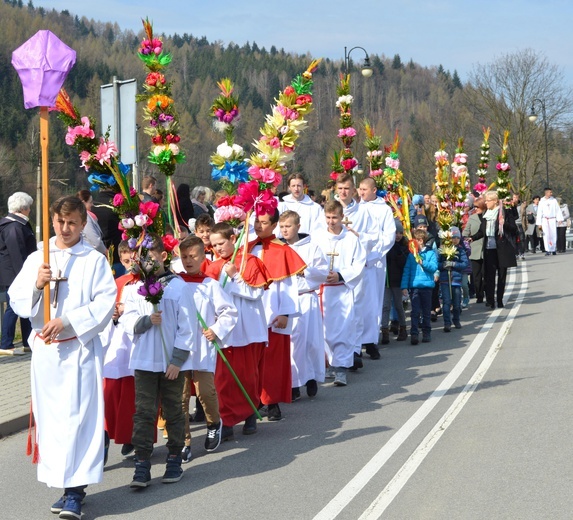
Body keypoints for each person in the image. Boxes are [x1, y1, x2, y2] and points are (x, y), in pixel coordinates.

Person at [9, 196, 116, 519]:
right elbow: (17, 300)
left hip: (79, 350)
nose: (65, 228)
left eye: (72, 223)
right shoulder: (39, 257)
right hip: (47, 353)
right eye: (60, 222)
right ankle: (62, 481)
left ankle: (76, 491)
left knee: (78, 419)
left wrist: (67, 320)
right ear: (52, 221)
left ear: (83, 224)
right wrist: (37, 286)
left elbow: (104, 303)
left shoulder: (93, 260)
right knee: (53, 420)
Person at [121, 234, 198, 489]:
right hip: (144, 360)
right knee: (143, 413)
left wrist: (177, 360)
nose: (147, 262)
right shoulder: (133, 288)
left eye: (152, 257)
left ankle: (174, 457)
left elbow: (188, 327)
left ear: (164, 257)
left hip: (170, 364)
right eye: (142, 258)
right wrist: (145, 322)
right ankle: (142, 462)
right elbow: (126, 321)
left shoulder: (178, 287)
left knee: (174, 410)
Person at [205, 223, 269, 440]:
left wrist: (235, 277)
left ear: (233, 239)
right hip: (226, 330)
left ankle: (251, 412)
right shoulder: (213, 267)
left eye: (221, 243)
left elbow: (257, 293)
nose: (218, 248)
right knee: (223, 379)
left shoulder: (249, 261)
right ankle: (228, 420)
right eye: (213, 245)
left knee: (248, 375)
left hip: (249, 328)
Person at [177, 235, 237, 461]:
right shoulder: (176, 283)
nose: (188, 261)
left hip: (202, 345)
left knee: (205, 392)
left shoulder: (210, 285)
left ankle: (214, 423)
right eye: (184, 257)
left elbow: (229, 312)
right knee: (180, 397)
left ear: (203, 256)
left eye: (193, 256)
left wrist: (217, 330)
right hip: (180, 348)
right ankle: (183, 441)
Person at [248, 209, 306, 420]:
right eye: (256, 221)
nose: (258, 226)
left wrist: (285, 313)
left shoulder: (281, 250)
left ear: (274, 225)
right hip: (253, 314)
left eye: (263, 222)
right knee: (253, 361)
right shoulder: (249, 248)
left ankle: (272, 403)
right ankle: (254, 401)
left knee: (272, 362)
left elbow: (288, 285)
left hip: (273, 313)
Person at [313, 200, 366, 386]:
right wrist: (320, 274)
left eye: (335, 217)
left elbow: (359, 264)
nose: (331, 221)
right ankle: (328, 364)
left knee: (343, 329)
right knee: (323, 330)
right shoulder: (318, 237)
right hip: (322, 291)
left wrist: (341, 275)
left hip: (342, 290)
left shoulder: (351, 239)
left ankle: (341, 368)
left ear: (342, 217)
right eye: (328, 217)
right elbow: (311, 261)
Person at [278, 210, 328, 399]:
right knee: (291, 344)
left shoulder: (311, 247)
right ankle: (294, 383)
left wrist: (304, 271)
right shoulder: (278, 248)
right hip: (286, 300)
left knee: (310, 342)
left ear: (298, 226)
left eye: (288, 226)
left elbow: (323, 272)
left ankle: (312, 377)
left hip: (306, 298)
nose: (285, 230)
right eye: (282, 227)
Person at [100, 241, 141, 461]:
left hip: (138, 345)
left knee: (134, 397)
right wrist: (113, 315)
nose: (129, 264)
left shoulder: (148, 282)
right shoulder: (117, 283)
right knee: (111, 395)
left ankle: (133, 436)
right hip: (117, 345)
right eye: (125, 260)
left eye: (133, 259)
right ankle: (105, 437)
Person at [335, 173, 380, 366]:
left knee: (358, 309)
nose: (343, 192)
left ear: (353, 190)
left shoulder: (363, 212)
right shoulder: (330, 211)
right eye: (340, 189)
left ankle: (355, 349)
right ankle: (341, 350)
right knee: (340, 310)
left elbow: (374, 236)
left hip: (357, 266)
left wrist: (358, 235)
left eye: (347, 188)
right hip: (336, 266)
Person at [357, 177, 396, 358]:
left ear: (374, 190)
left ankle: (371, 340)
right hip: (356, 261)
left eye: (365, 189)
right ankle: (355, 341)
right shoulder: (356, 208)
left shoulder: (384, 210)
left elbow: (388, 236)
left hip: (375, 262)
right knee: (357, 300)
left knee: (373, 300)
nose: (361, 192)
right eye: (360, 189)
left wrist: (372, 256)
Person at [0, 191, 36, 355]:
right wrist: (25, 275)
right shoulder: (14, 227)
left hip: (13, 272)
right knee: (13, 307)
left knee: (25, 306)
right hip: (15, 274)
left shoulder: (13, 225)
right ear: (23, 208)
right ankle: (6, 344)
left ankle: (27, 341)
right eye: (29, 208)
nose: (30, 211)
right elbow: (17, 253)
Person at [470, 191, 517, 309]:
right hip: (489, 248)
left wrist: (504, 224)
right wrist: (472, 238)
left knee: (501, 276)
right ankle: (490, 300)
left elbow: (514, 229)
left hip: (501, 248)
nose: (485, 202)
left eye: (487, 200)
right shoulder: (486, 214)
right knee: (488, 276)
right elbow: (482, 231)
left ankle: (500, 299)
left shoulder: (503, 213)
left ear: (495, 201)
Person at [401, 229, 438, 345]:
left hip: (426, 286)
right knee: (415, 312)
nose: (415, 243)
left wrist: (422, 262)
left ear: (421, 241)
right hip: (415, 287)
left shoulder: (430, 253)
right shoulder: (411, 256)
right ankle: (414, 333)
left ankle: (426, 332)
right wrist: (404, 286)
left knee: (426, 311)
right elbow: (406, 271)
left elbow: (433, 267)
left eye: (417, 240)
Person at [381, 220, 409, 344]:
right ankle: (385, 331)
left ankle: (403, 328)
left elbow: (404, 264)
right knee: (385, 306)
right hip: (387, 281)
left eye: (400, 233)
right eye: (395, 233)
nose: (398, 235)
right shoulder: (386, 246)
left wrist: (399, 253)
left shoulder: (404, 247)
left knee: (398, 305)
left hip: (398, 281)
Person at [438, 227, 469, 332]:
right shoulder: (442, 250)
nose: (455, 240)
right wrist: (443, 265)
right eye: (453, 238)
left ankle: (456, 319)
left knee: (456, 303)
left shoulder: (460, 250)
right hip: (445, 279)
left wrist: (454, 264)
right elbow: (436, 264)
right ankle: (447, 323)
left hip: (456, 279)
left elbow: (465, 263)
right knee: (446, 302)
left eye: (457, 238)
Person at [462, 198, 485, 303]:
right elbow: (466, 232)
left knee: (486, 273)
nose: (475, 209)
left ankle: (487, 292)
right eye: (474, 207)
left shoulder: (488, 217)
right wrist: (465, 237)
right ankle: (479, 295)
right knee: (476, 275)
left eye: (477, 207)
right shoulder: (472, 218)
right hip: (474, 250)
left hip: (486, 249)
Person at [76, 189, 106, 255]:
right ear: (83, 203)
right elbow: (95, 241)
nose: (92, 204)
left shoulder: (81, 216)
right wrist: (106, 252)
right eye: (90, 202)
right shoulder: (85, 217)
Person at [536, 187, 564, 256]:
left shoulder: (553, 200)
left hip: (552, 219)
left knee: (553, 234)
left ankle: (553, 249)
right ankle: (548, 249)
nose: (551, 193)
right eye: (550, 192)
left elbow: (557, 210)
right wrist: (539, 223)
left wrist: (559, 219)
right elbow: (539, 212)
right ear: (546, 193)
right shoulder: (542, 201)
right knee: (546, 235)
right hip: (545, 220)